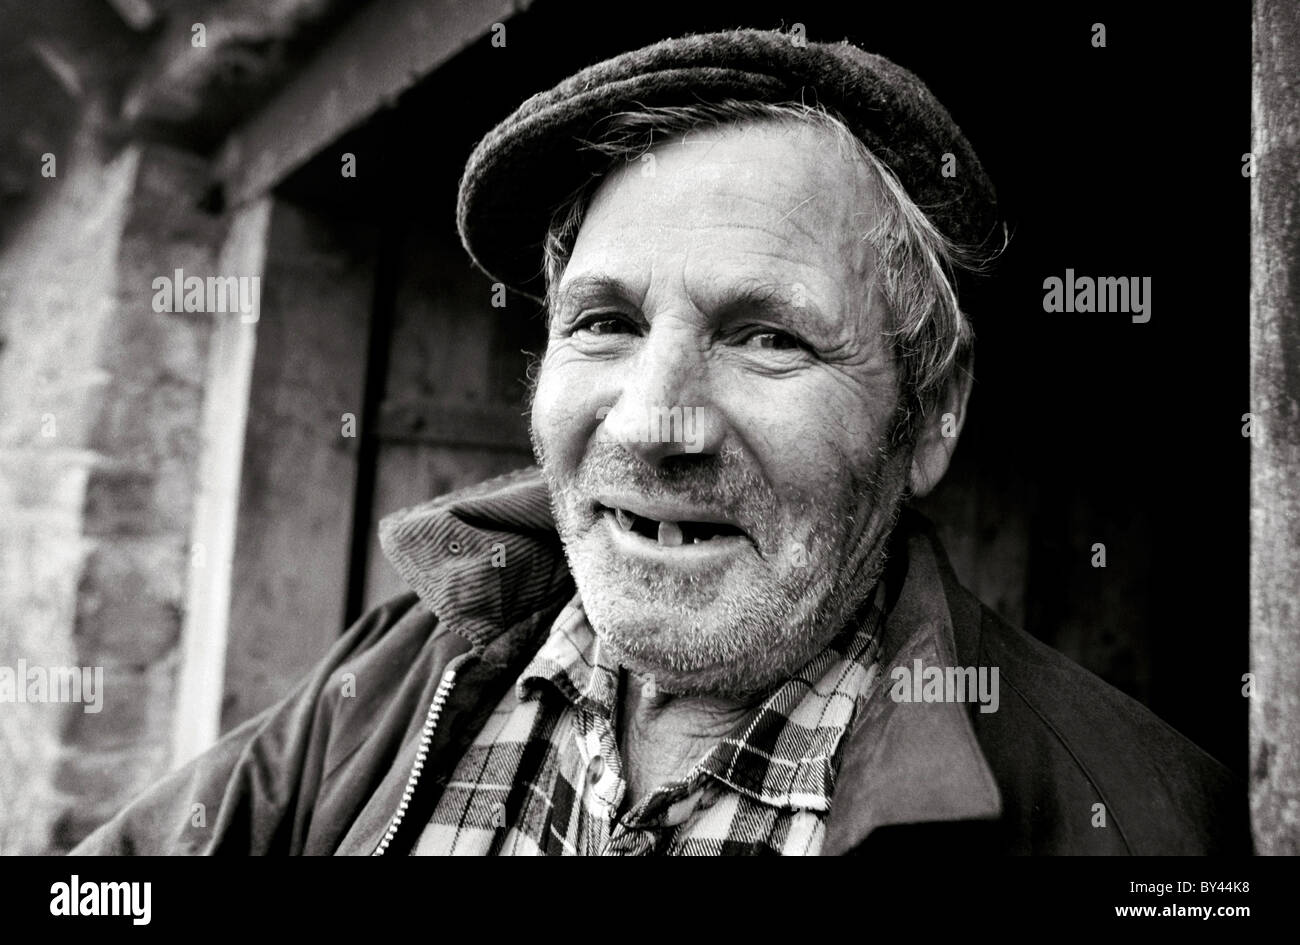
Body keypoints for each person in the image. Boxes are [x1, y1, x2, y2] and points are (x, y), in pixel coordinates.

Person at [73, 28, 1249, 856]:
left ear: (930, 412)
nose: (650, 422)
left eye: (768, 336)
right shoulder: (392, 678)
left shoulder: (1137, 819)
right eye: (604, 323)